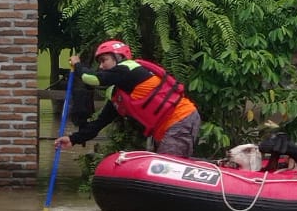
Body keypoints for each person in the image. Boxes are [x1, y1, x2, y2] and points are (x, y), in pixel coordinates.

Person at [53, 39, 201, 158]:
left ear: (119, 58)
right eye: (99, 62)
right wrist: (73, 139)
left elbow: (91, 78)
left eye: (104, 60)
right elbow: (99, 124)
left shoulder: (129, 69)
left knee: (169, 168)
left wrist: (77, 64)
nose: (101, 66)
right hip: (165, 128)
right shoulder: (119, 94)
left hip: (180, 118)